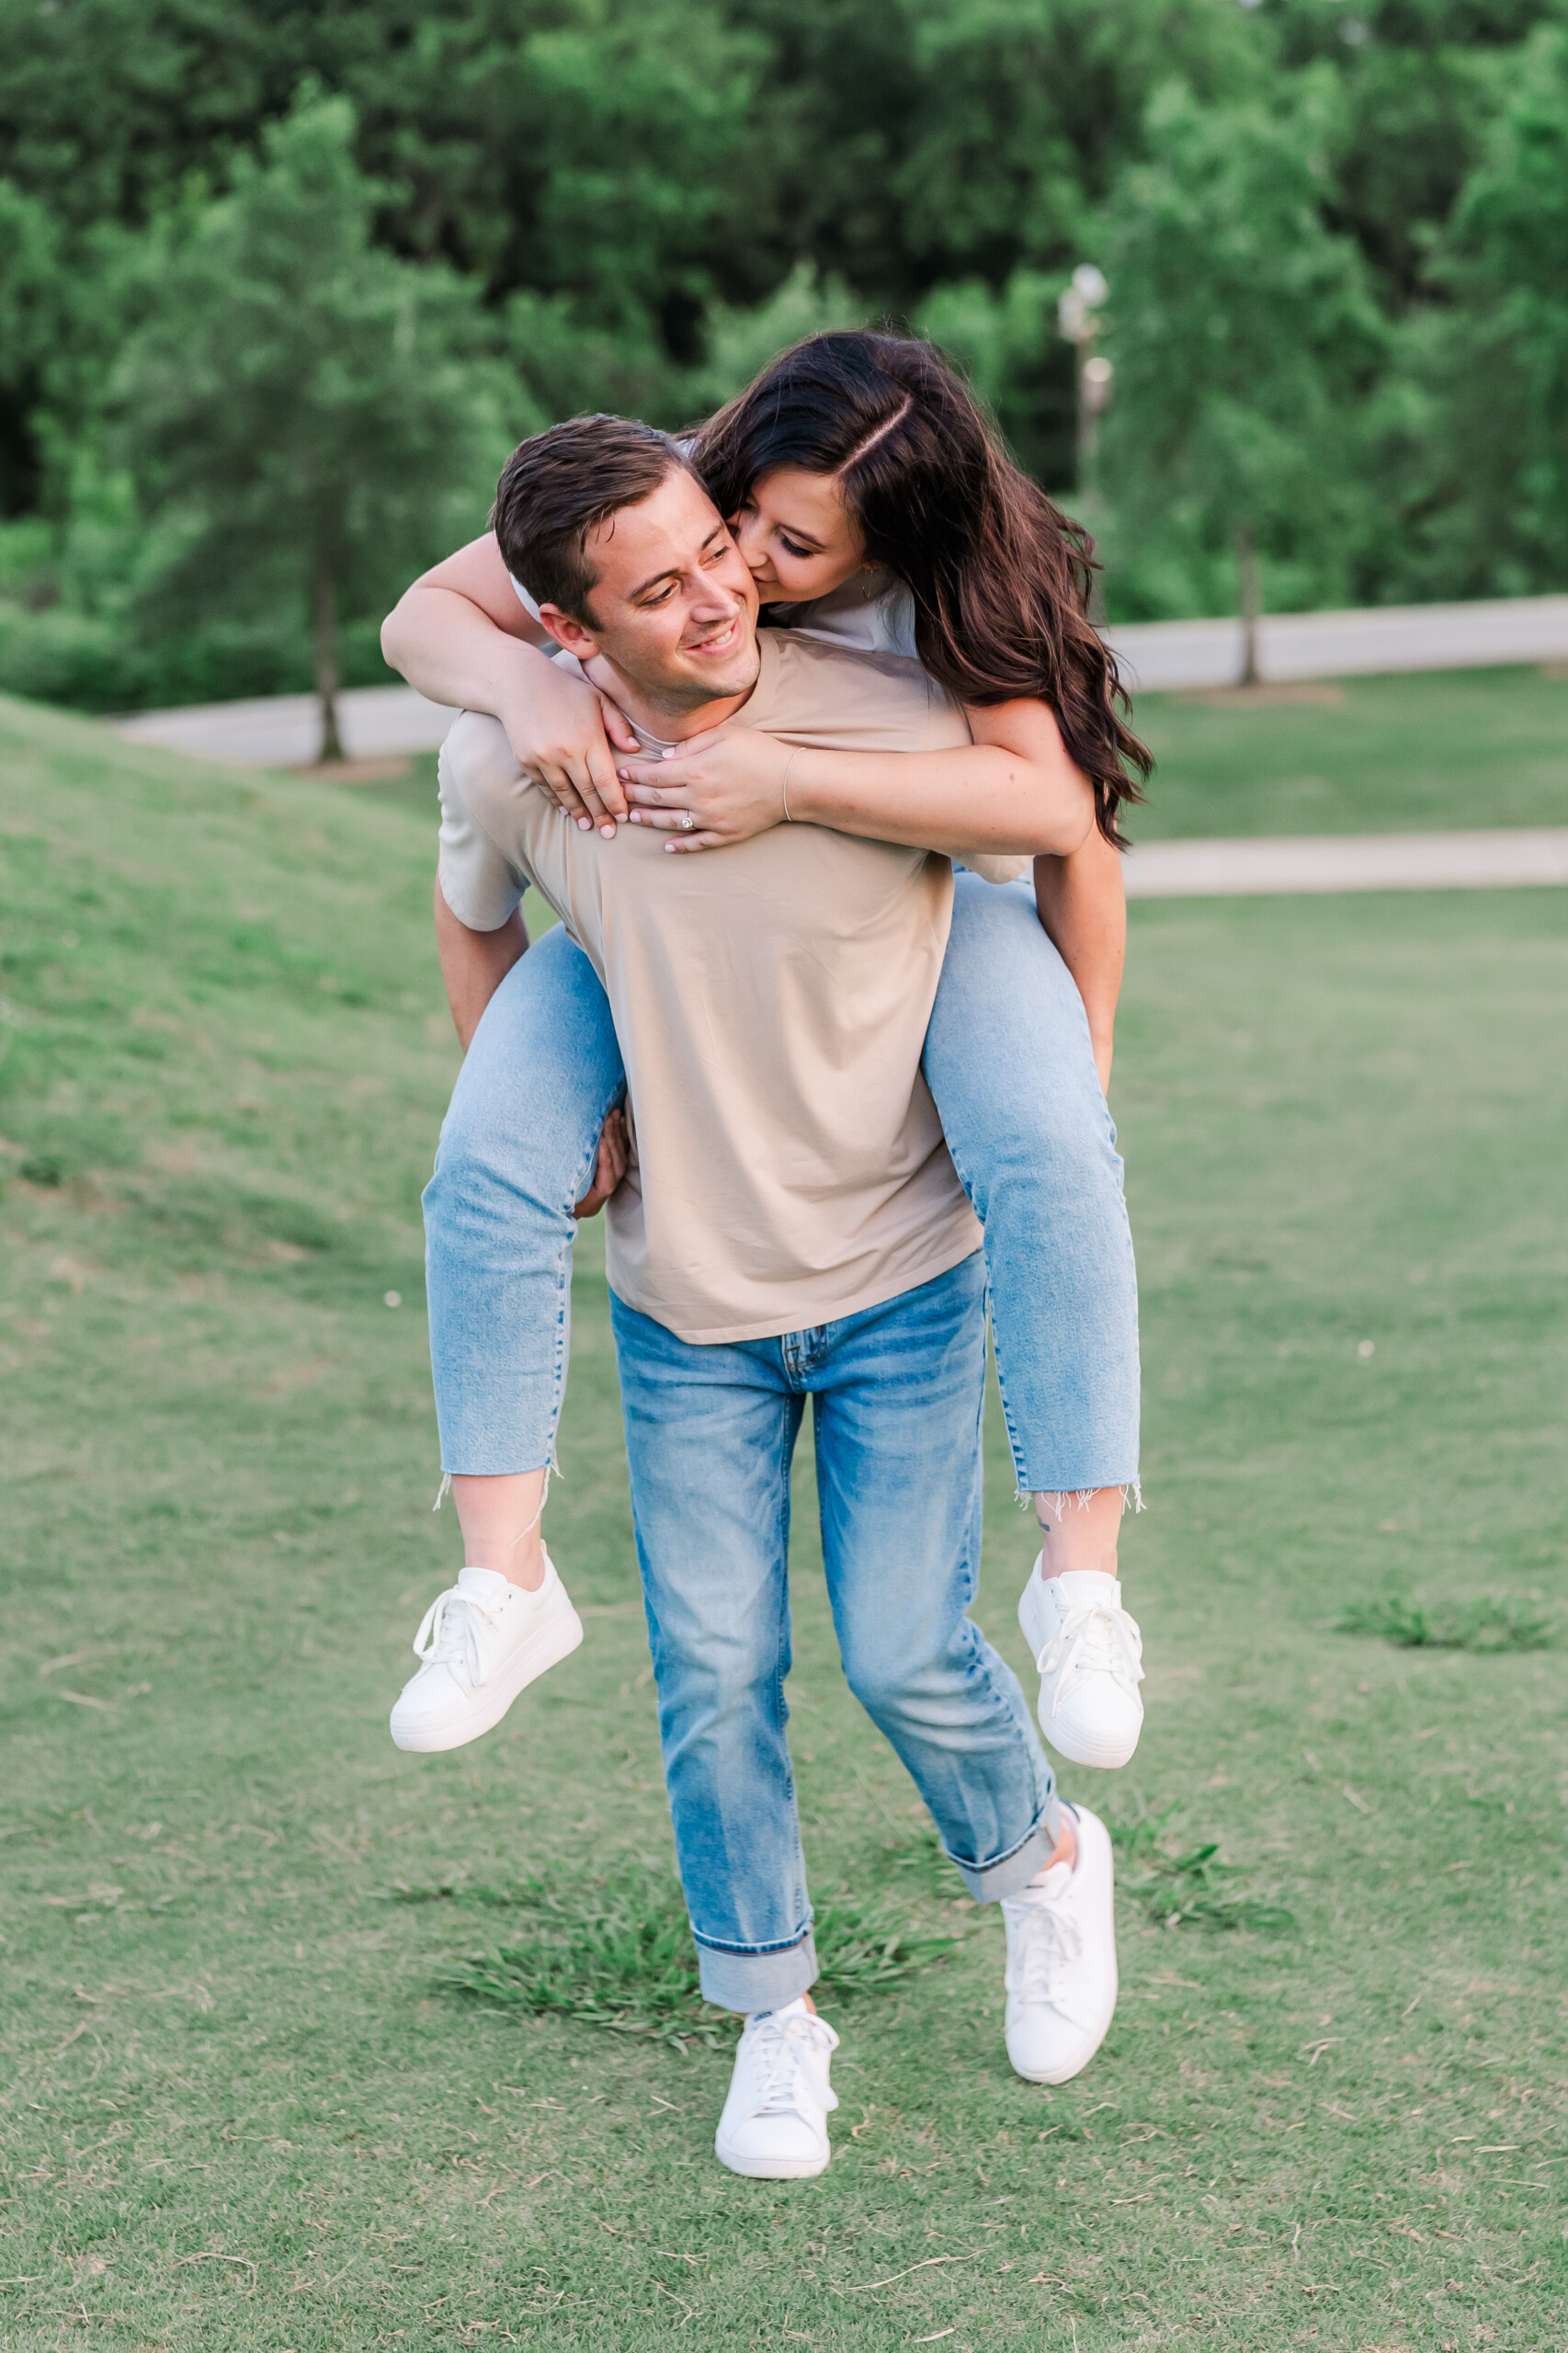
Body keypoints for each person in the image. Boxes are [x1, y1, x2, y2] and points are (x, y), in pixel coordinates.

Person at [409, 413, 1119, 2176]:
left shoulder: (890, 710)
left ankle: (1043, 1865)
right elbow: (470, 909)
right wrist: (559, 1112)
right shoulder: (530, 762)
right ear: (572, 632)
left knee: (903, 1650)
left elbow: (1056, 819)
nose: (719, 592)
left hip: (895, 1280)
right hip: (689, 1306)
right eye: (660, 587)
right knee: (714, 1677)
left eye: (721, 552)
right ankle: (771, 2019)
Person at [381, 331, 1147, 1779]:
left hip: (920, 891)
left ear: (888, 547)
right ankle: (501, 1578)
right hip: (653, 904)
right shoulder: (674, 500)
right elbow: (421, 620)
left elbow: (1059, 814)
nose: (741, 559)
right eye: (744, 511)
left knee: (1050, 1141)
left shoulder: (958, 589)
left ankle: (1081, 1583)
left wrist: (1080, 1062)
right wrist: (526, 687)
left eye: (793, 547)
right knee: (479, 1161)